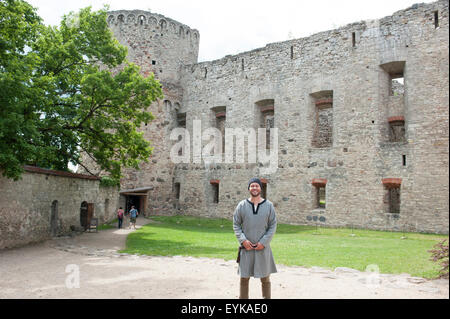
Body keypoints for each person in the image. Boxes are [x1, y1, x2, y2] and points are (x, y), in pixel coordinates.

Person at [233, 177, 277, 299]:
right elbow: (236, 224)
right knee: (244, 278)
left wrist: (264, 242)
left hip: (263, 248)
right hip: (246, 248)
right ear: (249, 188)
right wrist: (243, 240)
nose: (254, 188)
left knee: (265, 279)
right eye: (252, 186)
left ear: (260, 188)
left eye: (256, 186)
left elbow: (273, 225)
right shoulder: (242, 205)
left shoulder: (269, 206)